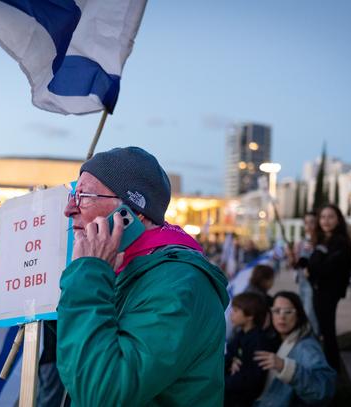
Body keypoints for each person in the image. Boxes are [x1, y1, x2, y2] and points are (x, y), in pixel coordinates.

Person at [56, 147, 229, 406]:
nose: (69, 209)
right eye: (73, 194)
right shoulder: (122, 268)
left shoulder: (179, 285)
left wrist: (87, 274)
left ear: (132, 213)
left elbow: (102, 392)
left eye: (84, 196)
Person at [253, 291, 336, 406]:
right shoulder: (274, 338)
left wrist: (286, 367)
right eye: (276, 311)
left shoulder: (306, 347)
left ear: (298, 315)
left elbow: (322, 392)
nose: (282, 316)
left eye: (288, 312)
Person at [308, 204, 351, 371]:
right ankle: (329, 365)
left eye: (330, 217)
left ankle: (332, 368)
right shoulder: (322, 240)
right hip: (319, 289)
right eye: (323, 217)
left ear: (338, 219)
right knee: (324, 329)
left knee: (327, 331)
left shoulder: (340, 242)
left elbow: (327, 268)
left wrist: (311, 269)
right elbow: (316, 265)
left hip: (328, 291)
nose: (326, 221)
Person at [224, 292, 277, 407]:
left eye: (236, 311)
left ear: (250, 315)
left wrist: (223, 382)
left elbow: (252, 379)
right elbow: (227, 358)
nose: (231, 314)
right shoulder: (240, 334)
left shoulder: (259, 341)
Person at [289, 211, 319, 336]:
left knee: (311, 313)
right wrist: (292, 258)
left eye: (312, 222)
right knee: (304, 311)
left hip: (314, 284)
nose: (309, 226)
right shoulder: (301, 242)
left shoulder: (319, 242)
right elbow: (296, 264)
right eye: (306, 223)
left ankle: (314, 339)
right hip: (302, 282)